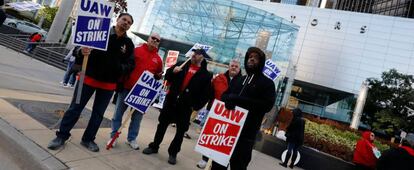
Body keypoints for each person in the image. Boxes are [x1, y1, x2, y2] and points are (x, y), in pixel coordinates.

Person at [47, 13, 135, 152]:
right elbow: (76, 50)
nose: (126, 23)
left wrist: (119, 68)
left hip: (108, 85)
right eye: (124, 19)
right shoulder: (99, 31)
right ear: (117, 19)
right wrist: (82, 51)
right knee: (74, 109)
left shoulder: (128, 44)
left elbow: (130, 65)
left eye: (129, 22)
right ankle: (61, 136)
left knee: (98, 114)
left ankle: (88, 139)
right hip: (87, 78)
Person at [142, 48, 212, 165]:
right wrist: (172, 72)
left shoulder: (205, 75)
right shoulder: (181, 64)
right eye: (194, 53)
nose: (194, 55)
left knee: (180, 131)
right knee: (162, 124)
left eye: (198, 54)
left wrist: (195, 106)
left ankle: (173, 153)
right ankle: (154, 146)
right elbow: (167, 76)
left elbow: (206, 94)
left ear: (202, 58)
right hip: (171, 101)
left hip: (185, 107)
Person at [211, 47, 276, 170]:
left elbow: (266, 105)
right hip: (226, 133)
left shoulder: (267, 83)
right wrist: (229, 100)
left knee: (238, 166)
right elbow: (224, 95)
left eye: (256, 57)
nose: (252, 59)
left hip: (246, 136)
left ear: (261, 62)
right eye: (250, 56)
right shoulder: (238, 79)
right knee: (217, 165)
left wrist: (238, 100)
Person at [108, 32, 163, 150]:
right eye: (153, 38)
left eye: (157, 40)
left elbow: (158, 74)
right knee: (118, 113)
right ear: (148, 38)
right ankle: (114, 136)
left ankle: (131, 138)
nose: (154, 41)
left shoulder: (158, 59)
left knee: (137, 118)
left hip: (142, 94)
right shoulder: (136, 50)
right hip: (127, 87)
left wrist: (159, 76)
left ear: (159, 43)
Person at [196, 59, 242, 169]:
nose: (234, 67)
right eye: (232, 65)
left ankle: (219, 162)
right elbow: (209, 93)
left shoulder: (242, 82)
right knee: (210, 137)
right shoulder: (219, 78)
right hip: (215, 112)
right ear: (229, 67)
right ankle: (205, 159)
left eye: (236, 66)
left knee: (224, 140)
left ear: (239, 69)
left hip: (231, 116)